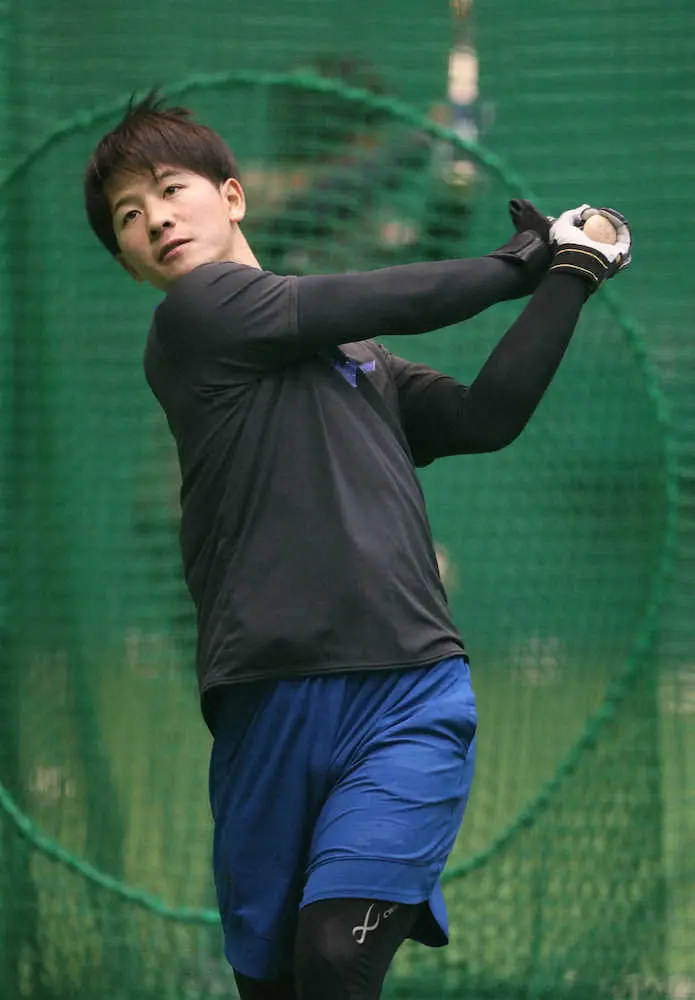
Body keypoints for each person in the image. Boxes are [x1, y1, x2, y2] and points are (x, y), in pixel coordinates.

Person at [83, 91, 631, 1000]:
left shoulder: (358, 357)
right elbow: (383, 295)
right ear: (131, 262)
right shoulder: (195, 318)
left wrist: (570, 274)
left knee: (337, 957)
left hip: (408, 695)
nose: (156, 220)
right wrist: (519, 263)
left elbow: (482, 417)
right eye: (128, 217)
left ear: (232, 196)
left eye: (170, 190)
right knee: (278, 983)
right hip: (266, 704)